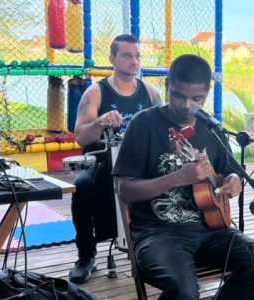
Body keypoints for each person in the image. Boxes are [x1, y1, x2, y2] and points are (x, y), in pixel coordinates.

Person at [112, 54, 254, 299]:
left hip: (212, 230)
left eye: (196, 99)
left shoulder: (211, 128)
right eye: (178, 95)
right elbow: (124, 189)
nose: (186, 105)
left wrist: (234, 182)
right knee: (183, 290)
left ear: (207, 93)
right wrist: (178, 178)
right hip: (158, 232)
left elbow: (232, 172)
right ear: (167, 86)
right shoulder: (144, 124)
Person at [69, 34, 162, 283]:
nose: (134, 62)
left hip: (138, 165)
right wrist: (101, 121)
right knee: (81, 187)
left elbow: (164, 131)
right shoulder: (96, 92)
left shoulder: (151, 93)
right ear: (112, 58)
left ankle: (157, 248)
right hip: (102, 163)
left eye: (138, 56)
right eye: (127, 55)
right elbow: (80, 136)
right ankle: (86, 255)